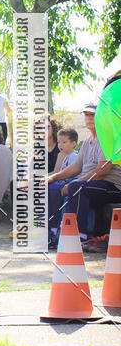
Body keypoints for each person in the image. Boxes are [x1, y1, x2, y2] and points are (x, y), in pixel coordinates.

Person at [48, 102, 121, 243]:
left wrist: (77, 181)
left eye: (92, 115)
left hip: (112, 186)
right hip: (92, 183)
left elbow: (102, 170)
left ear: (101, 117)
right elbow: (76, 168)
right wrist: (52, 177)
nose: (89, 118)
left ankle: (79, 236)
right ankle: (53, 232)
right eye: (86, 115)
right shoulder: (87, 141)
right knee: (53, 186)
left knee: (76, 187)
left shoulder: (107, 138)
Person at [47, 127, 79, 243]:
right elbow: (59, 172)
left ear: (74, 143)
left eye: (64, 142)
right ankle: (50, 226)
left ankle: (55, 227)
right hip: (62, 182)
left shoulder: (74, 157)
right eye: (59, 142)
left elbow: (70, 174)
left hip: (69, 182)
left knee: (53, 189)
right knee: (49, 188)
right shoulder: (63, 156)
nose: (61, 145)